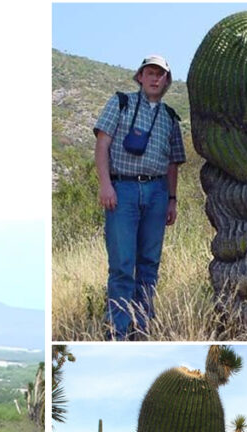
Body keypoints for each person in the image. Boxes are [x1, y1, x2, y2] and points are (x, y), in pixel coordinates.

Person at [93, 55, 187, 339]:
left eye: (161, 74)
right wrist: (105, 185)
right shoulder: (120, 103)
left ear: (167, 81)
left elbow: (173, 163)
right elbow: (102, 145)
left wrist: (172, 199)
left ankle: (142, 328)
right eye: (150, 72)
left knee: (149, 263)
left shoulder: (170, 118)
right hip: (123, 190)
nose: (155, 78)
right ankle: (118, 332)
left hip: (157, 193)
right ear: (140, 76)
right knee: (122, 265)